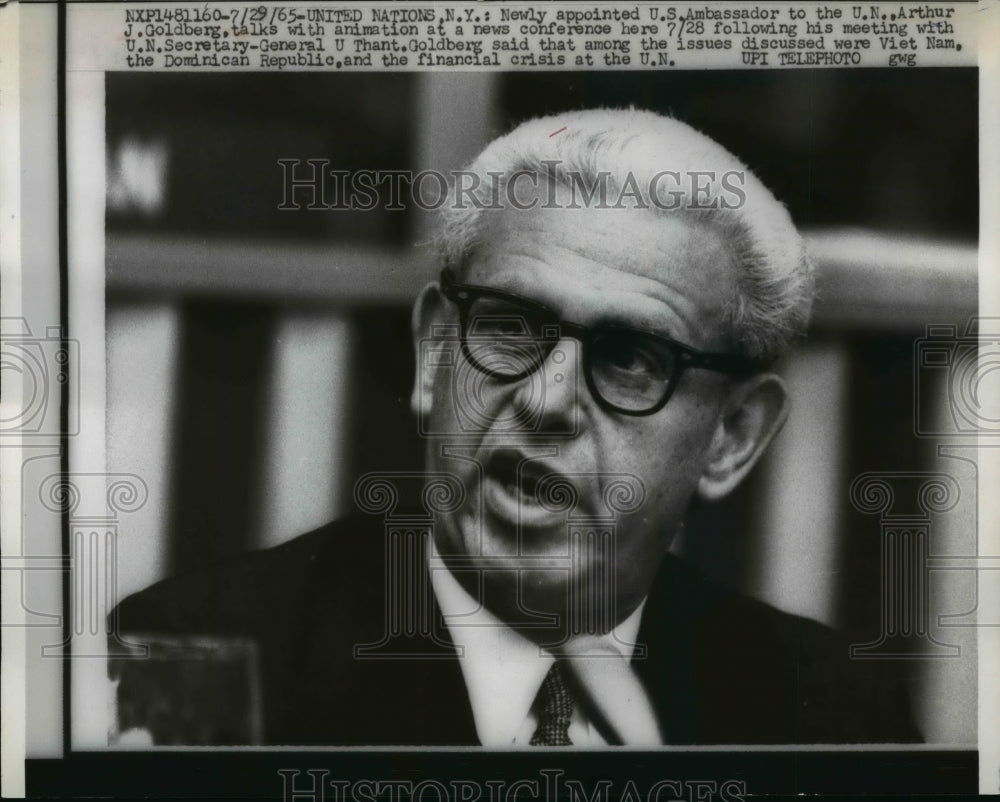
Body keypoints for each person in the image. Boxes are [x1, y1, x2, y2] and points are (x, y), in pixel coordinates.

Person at [111, 109, 921, 747]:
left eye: (630, 357)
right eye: (508, 326)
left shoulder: (831, 712)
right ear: (434, 355)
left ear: (733, 436)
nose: (545, 400)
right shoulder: (203, 653)